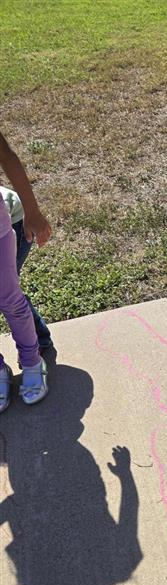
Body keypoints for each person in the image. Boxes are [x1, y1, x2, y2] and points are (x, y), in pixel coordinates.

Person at [0, 131, 52, 412]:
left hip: (4, 224)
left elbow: (6, 155)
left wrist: (33, 212)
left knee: (9, 298)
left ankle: (33, 361)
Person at [1, 185, 53, 352]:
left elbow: (8, 159)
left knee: (7, 291)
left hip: (13, 222)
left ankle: (39, 341)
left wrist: (33, 213)